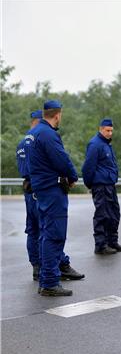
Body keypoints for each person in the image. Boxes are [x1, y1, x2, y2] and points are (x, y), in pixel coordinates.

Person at [26, 100, 84, 296]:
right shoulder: (48, 134)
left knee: (44, 234)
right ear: (58, 115)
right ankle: (50, 282)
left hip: (41, 190)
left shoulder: (33, 134)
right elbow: (61, 159)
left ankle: (46, 278)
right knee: (54, 235)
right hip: (52, 191)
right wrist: (73, 176)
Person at [82, 118, 121, 255]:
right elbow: (88, 167)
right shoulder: (95, 144)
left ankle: (112, 241)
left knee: (114, 213)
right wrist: (90, 183)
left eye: (111, 130)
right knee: (102, 214)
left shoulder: (106, 144)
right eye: (107, 130)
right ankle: (100, 245)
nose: (110, 133)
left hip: (110, 185)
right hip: (100, 186)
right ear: (100, 129)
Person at [16, 109, 42, 280]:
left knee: (32, 229)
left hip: (27, 188)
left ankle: (35, 266)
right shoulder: (36, 141)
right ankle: (47, 266)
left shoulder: (21, 143)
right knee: (44, 228)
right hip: (38, 189)